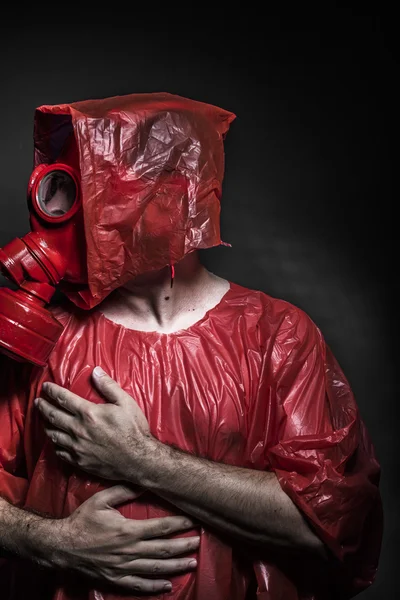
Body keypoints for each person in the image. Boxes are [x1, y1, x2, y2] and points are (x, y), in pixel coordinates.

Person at [0, 92, 382, 600]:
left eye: (100, 193)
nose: (74, 216)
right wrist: (56, 542)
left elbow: (326, 523)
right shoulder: (45, 335)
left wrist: (140, 459)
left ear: (173, 201)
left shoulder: (277, 335)